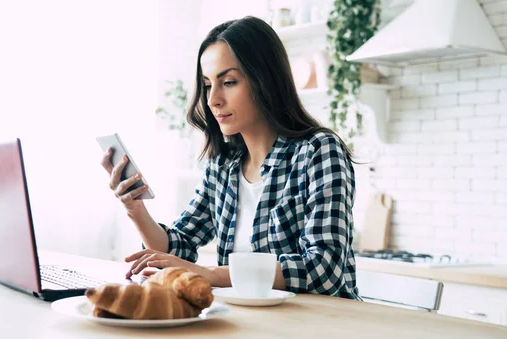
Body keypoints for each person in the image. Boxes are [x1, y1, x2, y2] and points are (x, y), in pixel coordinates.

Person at [101, 16, 359, 299]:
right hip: (248, 322)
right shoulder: (223, 165)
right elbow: (178, 246)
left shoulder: (318, 151)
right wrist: (135, 208)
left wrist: (212, 275)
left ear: (266, 80)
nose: (213, 100)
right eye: (208, 85)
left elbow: (324, 269)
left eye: (229, 81)